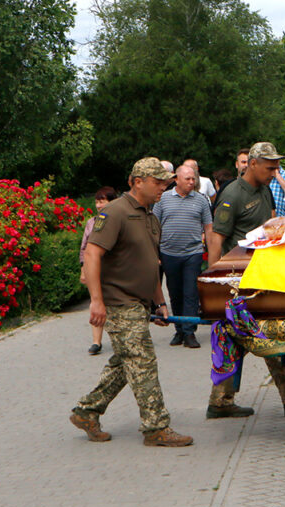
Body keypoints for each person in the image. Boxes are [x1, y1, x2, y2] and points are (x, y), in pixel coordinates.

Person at [69, 157, 193, 447]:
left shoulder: (150, 217)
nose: (164, 186)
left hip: (139, 302)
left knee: (126, 362)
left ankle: (87, 411)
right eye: (157, 181)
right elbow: (92, 254)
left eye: (166, 181)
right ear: (137, 182)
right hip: (118, 302)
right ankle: (156, 427)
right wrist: (97, 302)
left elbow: (151, 264)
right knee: (142, 360)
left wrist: (159, 303)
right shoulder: (115, 213)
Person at [208, 142, 285, 418]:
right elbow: (216, 238)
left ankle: (226, 401)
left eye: (276, 167)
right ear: (252, 164)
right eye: (270, 167)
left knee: (248, 335)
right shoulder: (233, 194)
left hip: (261, 274)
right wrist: (214, 280)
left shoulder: (265, 190)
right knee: (252, 334)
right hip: (238, 279)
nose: (275, 172)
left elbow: (268, 226)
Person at [153, 164, 214, 349]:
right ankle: (178, 329)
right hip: (169, 253)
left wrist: (211, 252)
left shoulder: (201, 200)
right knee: (175, 292)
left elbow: (209, 228)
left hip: (192, 253)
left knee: (190, 292)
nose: (191, 182)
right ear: (176, 179)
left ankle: (189, 332)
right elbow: (154, 226)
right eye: (187, 179)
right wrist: (155, 252)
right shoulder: (163, 199)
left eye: (193, 178)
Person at [79, 186, 119, 355]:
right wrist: (83, 269)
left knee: (116, 304)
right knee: (96, 302)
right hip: (95, 268)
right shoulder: (91, 222)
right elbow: (84, 247)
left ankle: (120, 339)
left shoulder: (118, 221)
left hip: (115, 268)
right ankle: (96, 341)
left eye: (103, 201)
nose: (99, 205)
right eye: (97, 201)